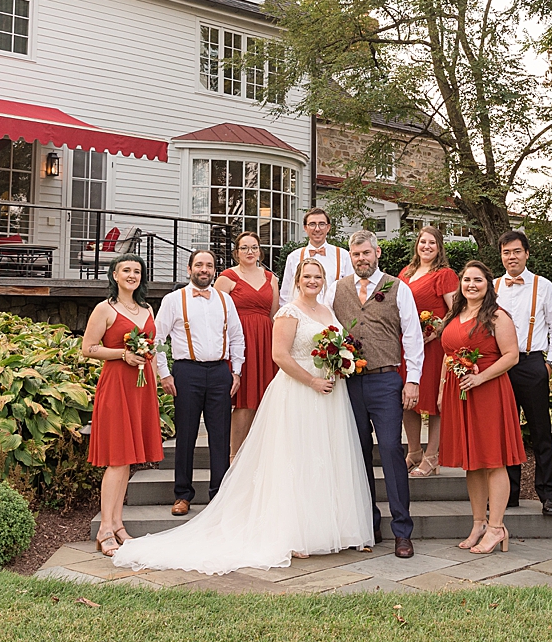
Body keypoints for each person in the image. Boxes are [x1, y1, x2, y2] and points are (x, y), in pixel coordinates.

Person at [113, 258, 374, 573]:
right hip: (298, 390)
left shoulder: (328, 311)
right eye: (307, 276)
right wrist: (313, 380)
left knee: (323, 457)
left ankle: (330, 529)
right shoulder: (288, 312)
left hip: (327, 394)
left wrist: (339, 364)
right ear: (297, 279)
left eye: (317, 276)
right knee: (293, 459)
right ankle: (295, 532)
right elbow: (279, 355)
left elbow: (237, 337)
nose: (312, 281)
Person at [332, 229, 424, 559]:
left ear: (377, 253)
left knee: (389, 451)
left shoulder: (397, 288)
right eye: (356, 255)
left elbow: (413, 336)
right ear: (350, 257)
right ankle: (369, 524)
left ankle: (403, 530)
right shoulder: (337, 289)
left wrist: (412, 380)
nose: (362, 259)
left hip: (386, 382)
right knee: (357, 456)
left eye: (366, 253)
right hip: (349, 383)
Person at [440, 259, 525, 554]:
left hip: (489, 391)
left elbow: (511, 355)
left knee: (493, 459)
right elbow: (447, 354)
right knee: (471, 462)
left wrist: (480, 378)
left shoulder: (497, 316)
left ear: (488, 285)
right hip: (458, 392)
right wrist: (442, 389)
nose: (471, 285)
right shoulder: (456, 313)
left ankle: (497, 527)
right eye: (466, 280)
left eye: (477, 280)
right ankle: (478, 523)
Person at [81, 254, 162, 557]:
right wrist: (122, 355)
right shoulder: (105, 309)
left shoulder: (147, 308)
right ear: (114, 275)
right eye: (126, 270)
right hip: (116, 386)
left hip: (141, 389)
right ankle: (104, 529)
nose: (132, 275)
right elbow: (88, 348)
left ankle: (117, 524)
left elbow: (152, 349)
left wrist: (153, 389)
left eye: (137, 271)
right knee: (117, 459)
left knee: (127, 459)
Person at [154, 250, 245, 516]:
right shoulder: (173, 300)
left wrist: (236, 372)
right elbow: (158, 339)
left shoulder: (225, 300)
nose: (204, 269)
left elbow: (237, 337)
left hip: (219, 372)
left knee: (220, 436)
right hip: (187, 372)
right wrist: (164, 373)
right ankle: (182, 495)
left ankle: (219, 495)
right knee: (186, 435)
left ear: (215, 270)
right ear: (189, 269)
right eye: (199, 265)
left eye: (209, 265)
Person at [493, 229, 552, 517]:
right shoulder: (493, 286)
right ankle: (509, 494)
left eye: (516, 251)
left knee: (540, 433)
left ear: (526, 253)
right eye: (506, 252)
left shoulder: (543, 286)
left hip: (532, 363)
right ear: (501, 256)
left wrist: (550, 364)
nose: (511, 257)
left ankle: (549, 495)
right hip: (500, 366)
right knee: (505, 433)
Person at [398, 225, 459, 477]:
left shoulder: (444, 274)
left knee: (434, 400)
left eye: (432, 243)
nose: (427, 246)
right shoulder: (405, 272)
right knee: (406, 398)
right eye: (423, 242)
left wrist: (436, 330)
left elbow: (456, 311)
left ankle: (432, 455)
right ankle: (413, 451)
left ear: (439, 247)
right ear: (417, 245)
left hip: (432, 346)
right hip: (406, 345)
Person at [216, 230, 277, 460]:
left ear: (260, 251)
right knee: (244, 399)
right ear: (236, 253)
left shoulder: (271, 278)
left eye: (254, 247)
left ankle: (258, 456)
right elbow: (216, 315)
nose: (250, 252)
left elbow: (274, 315)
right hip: (239, 341)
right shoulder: (227, 277)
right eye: (244, 248)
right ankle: (234, 456)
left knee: (262, 399)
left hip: (265, 341)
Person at [279, 207, 353, 307]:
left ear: (328, 227)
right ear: (305, 228)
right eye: (312, 224)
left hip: (334, 316)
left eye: (322, 224)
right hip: (303, 316)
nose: (317, 229)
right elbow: (285, 296)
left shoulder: (343, 255)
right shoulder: (294, 257)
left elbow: (351, 291)